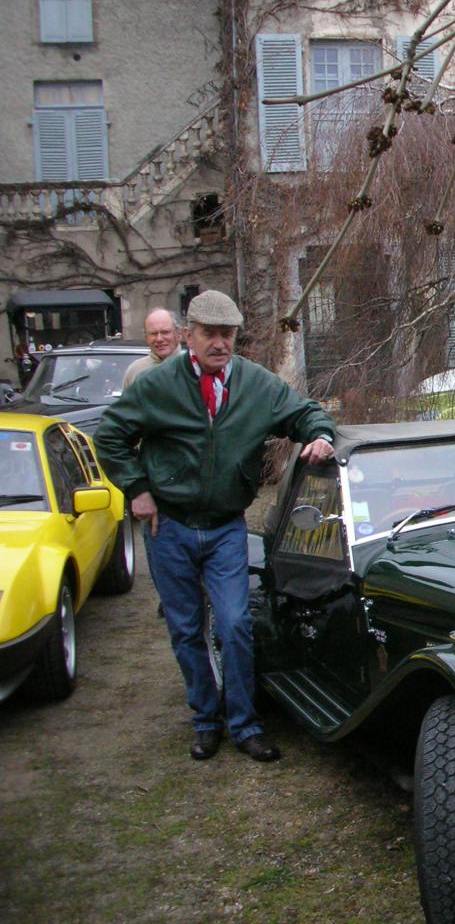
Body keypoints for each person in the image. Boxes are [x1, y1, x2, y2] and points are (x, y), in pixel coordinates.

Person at [95, 291, 336, 763]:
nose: (221, 343)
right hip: (171, 528)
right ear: (189, 336)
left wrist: (321, 437)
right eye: (210, 333)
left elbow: (305, 412)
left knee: (235, 624)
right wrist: (137, 490)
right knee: (186, 628)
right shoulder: (158, 385)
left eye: (228, 334)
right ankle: (206, 720)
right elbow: (110, 436)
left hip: (226, 527)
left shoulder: (255, 385)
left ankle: (245, 724)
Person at [123, 307, 182, 389]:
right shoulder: (135, 371)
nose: (159, 339)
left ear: (178, 334)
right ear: (146, 338)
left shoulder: (193, 366)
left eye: (165, 332)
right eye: (153, 334)